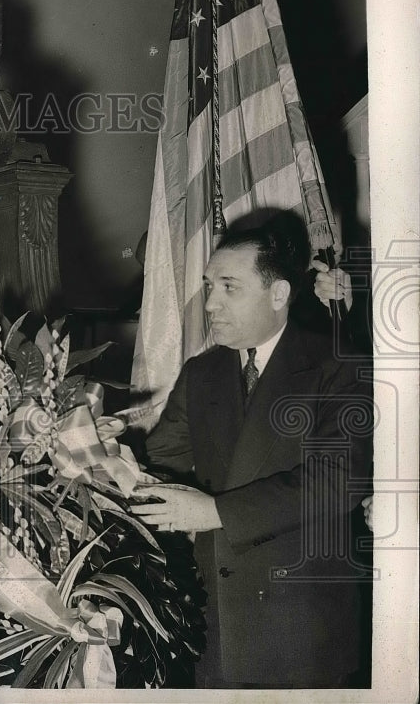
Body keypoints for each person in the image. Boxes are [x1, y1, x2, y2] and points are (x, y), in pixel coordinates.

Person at [131, 223, 372, 688]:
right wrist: (99, 451)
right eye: (208, 287)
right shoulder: (203, 372)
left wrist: (214, 511)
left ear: (278, 293)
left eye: (229, 288)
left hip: (299, 633)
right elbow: (158, 465)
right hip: (213, 624)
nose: (210, 304)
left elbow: (337, 482)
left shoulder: (338, 366)